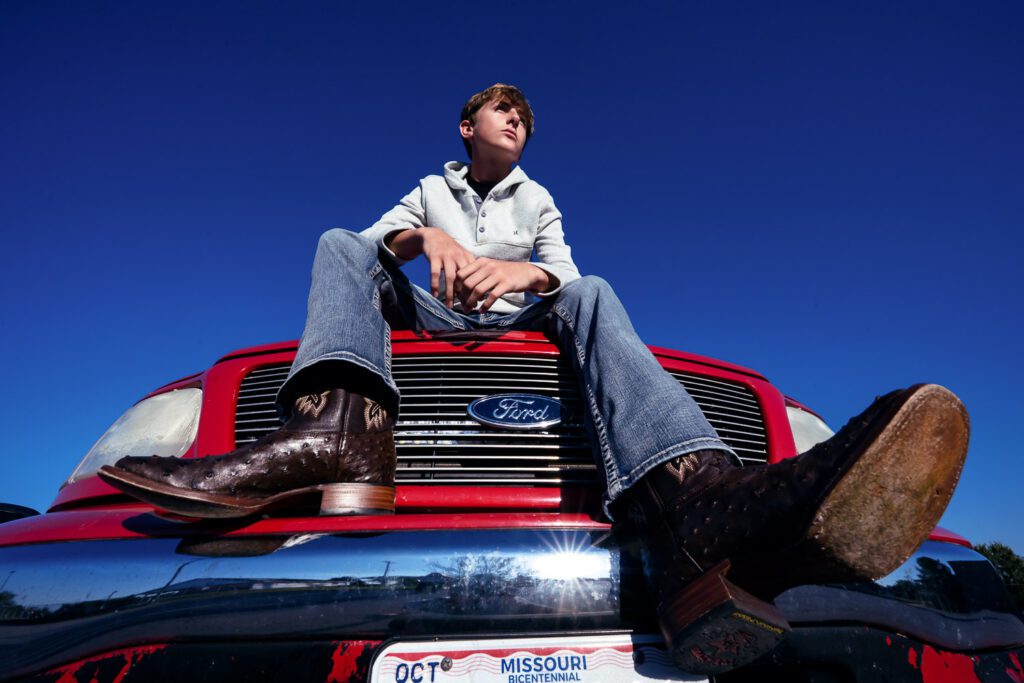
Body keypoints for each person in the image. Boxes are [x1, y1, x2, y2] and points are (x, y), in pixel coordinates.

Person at [99, 84, 969, 674]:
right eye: (499, 110)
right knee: (338, 243)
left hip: (517, 314)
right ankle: (340, 433)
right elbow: (375, 247)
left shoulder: (539, 199)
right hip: (429, 311)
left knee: (593, 291)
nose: (514, 118)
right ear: (467, 127)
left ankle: (695, 497)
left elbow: (564, 273)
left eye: (521, 114)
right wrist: (425, 241)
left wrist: (520, 276)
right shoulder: (427, 188)